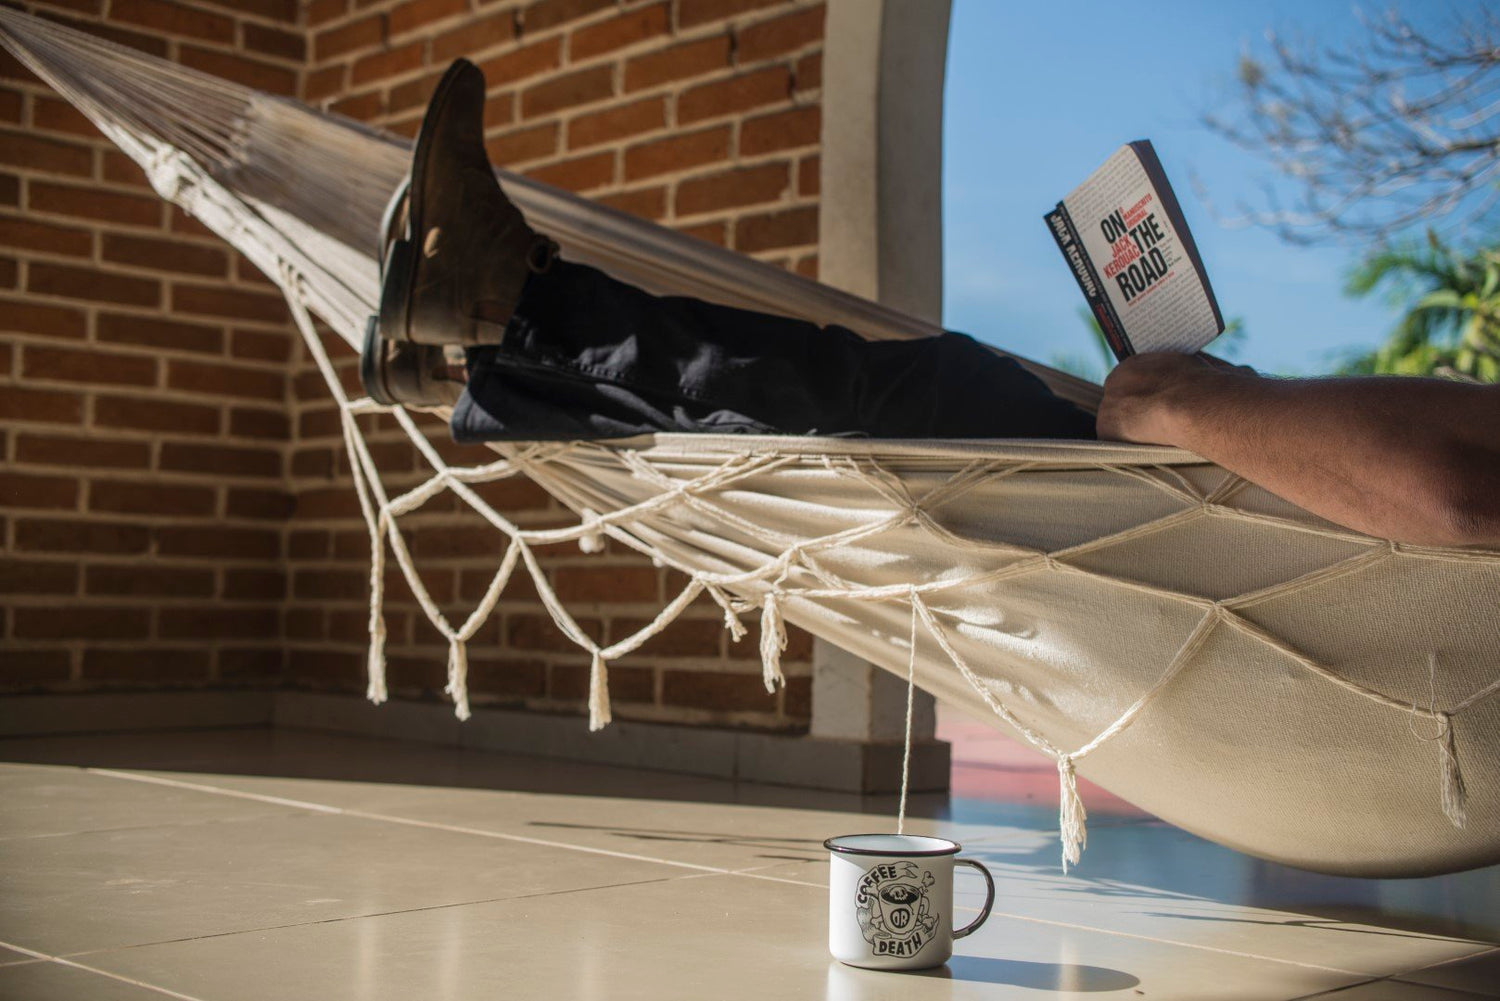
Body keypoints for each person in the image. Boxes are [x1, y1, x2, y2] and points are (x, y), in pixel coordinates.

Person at [366, 60, 1500, 549]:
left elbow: (1459, 495)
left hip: (1204, 523)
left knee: (907, 406)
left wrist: (1202, 406)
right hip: (1219, 527)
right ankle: (491, 364)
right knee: (899, 409)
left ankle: (502, 312)